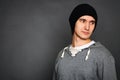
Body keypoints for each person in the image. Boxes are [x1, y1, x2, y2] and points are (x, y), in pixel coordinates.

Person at [53, 3, 117, 80]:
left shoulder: (103, 56)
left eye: (92, 22)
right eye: (83, 21)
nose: (87, 27)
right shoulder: (61, 55)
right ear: (74, 22)